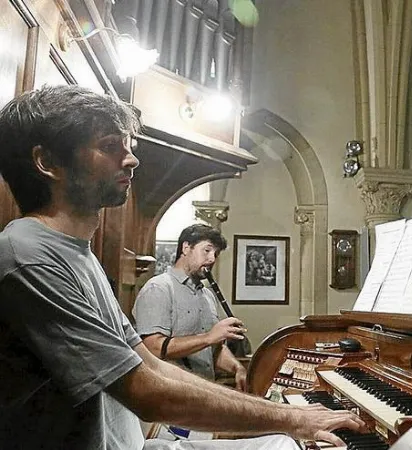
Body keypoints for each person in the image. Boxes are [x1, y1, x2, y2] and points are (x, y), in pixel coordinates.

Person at [0, 84, 366, 449]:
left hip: (140, 444)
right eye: (110, 146)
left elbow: (149, 364)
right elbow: (147, 392)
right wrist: (293, 418)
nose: (131, 160)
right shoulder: (28, 257)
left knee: (286, 445)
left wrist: (280, 414)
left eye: (129, 147)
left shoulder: (78, 254)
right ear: (47, 163)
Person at [133, 224, 248, 391]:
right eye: (207, 250)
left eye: (215, 254)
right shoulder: (158, 288)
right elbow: (153, 348)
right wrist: (209, 337)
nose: (212, 259)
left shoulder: (207, 296)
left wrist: (237, 368)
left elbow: (213, 350)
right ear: (186, 248)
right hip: (169, 396)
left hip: (205, 394)